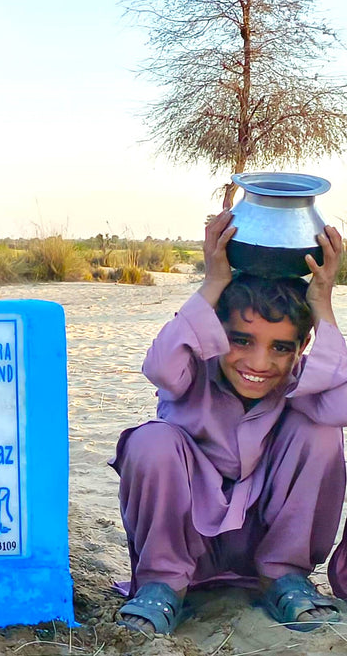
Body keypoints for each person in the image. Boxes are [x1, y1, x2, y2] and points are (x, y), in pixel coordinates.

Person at [110, 210, 347, 636]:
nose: (259, 363)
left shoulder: (303, 381)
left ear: (301, 346)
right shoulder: (190, 369)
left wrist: (322, 302)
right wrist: (213, 282)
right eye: (241, 340)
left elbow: (341, 408)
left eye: (280, 347)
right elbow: (160, 368)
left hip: (261, 547)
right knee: (150, 441)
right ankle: (161, 583)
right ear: (216, 331)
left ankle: (283, 577)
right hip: (188, 546)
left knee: (321, 432)